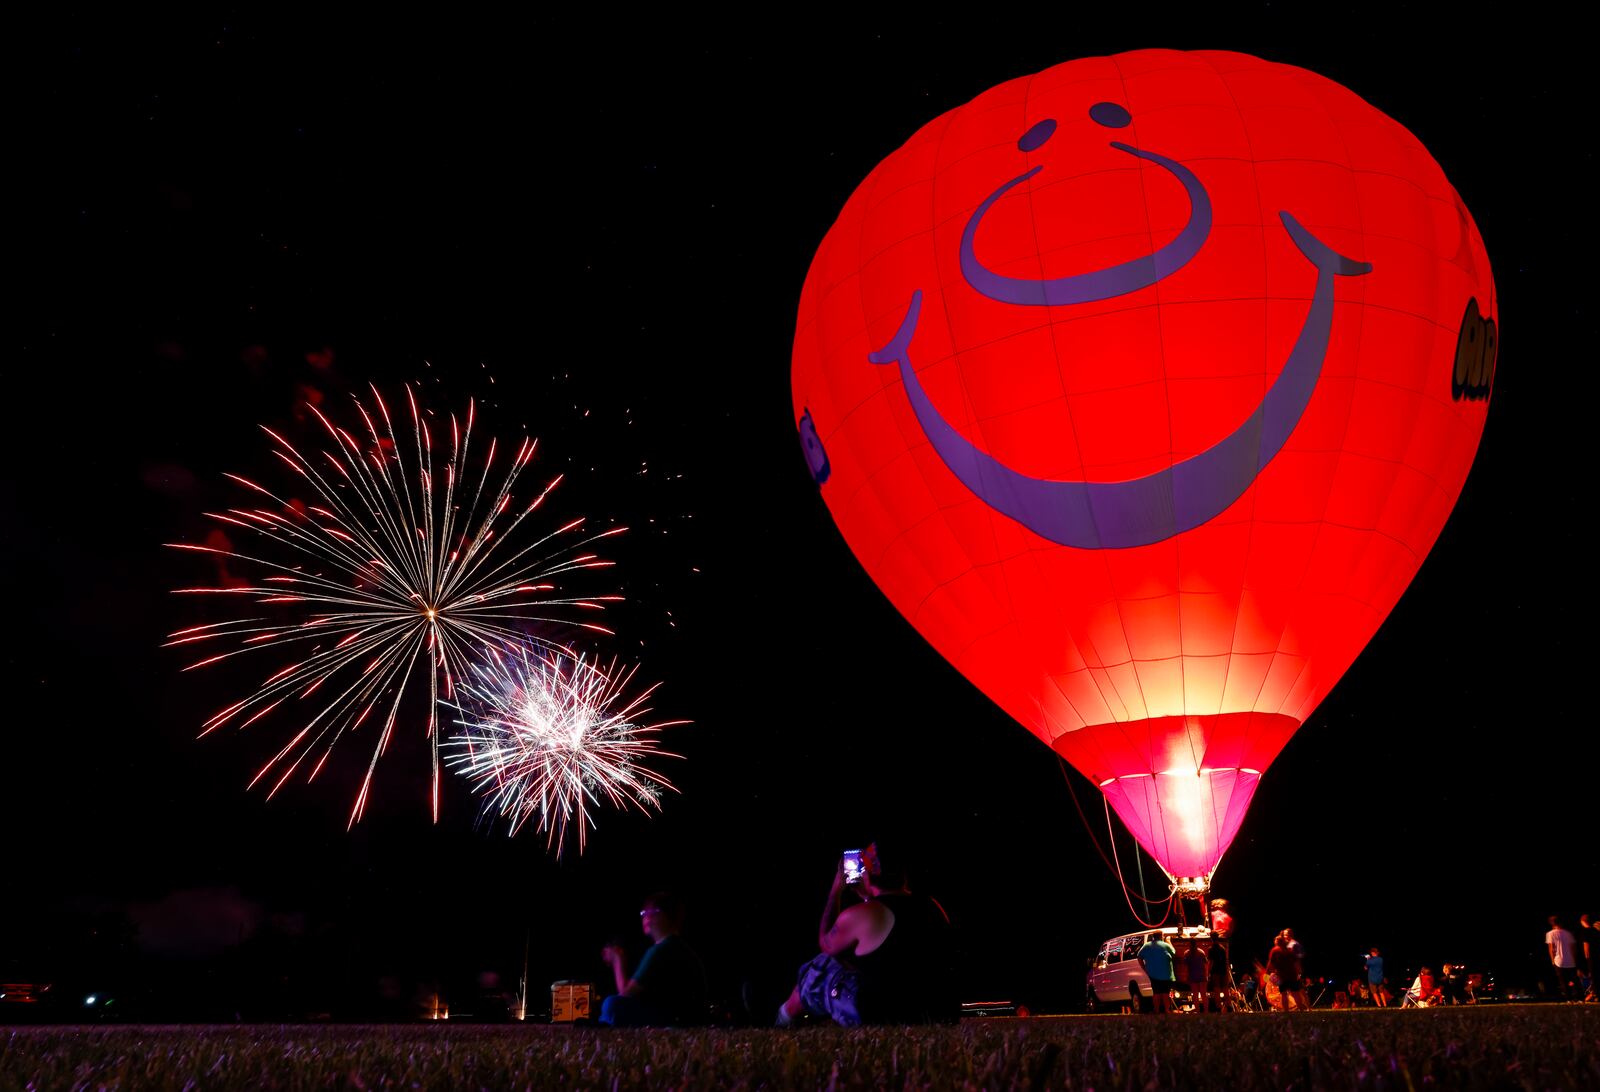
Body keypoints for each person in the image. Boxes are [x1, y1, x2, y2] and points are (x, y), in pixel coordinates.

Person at [777, 845, 955, 1027]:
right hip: (938, 1012)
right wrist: (868, 897)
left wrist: (835, 891)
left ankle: (783, 1019)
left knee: (823, 965)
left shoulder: (865, 913)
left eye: (865, 858)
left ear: (874, 869)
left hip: (891, 1017)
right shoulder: (933, 906)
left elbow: (826, 943)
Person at [599, 892, 707, 1027]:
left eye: (651, 912)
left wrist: (617, 960)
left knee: (611, 1003)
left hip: (670, 1019)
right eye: (643, 913)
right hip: (686, 1018)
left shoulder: (660, 950)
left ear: (666, 915)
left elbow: (626, 994)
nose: (646, 917)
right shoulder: (681, 948)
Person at [1137, 932, 1177, 1014]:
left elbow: (1139, 957)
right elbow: (1174, 952)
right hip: (1166, 973)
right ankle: (1167, 1010)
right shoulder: (1165, 945)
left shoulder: (1147, 945)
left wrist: (1144, 968)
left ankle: (1156, 1010)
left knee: (1156, 992)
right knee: (1165, 992)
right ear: (1161, 936)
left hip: (1153, 974)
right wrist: (1168, 941)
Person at [1546, 915, 1579, 1001]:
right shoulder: (1568, 933)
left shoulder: (1550, 934)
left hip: (1559, 960)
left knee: (1563, 981)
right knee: (1575, 980)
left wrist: (1552, 960)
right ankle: (1580, 998)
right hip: (1571, 960)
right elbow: (1574, 948)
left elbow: (1551, 948)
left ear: (1551, 923)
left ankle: (1569, 999)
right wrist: (1574, 959)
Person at [1267, 934, 1303, 1011]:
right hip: (1292, 974)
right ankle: (1301, 1010)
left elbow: (1271, 963)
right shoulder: (1289, 950)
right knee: (1295, 993)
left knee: (1284, 994)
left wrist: (1267, 972)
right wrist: (1298, 972)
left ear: (1277, 942)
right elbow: (1295, 962)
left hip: (1281, 975)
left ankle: (1286, 1011)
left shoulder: (1275, 951)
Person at [1183, 939, 1210, 1012]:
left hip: (1192, 975)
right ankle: (1206, 1011)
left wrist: (1186, 976)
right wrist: (1206, 975)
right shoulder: (1201, 952)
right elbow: (1206, 964)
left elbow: (1186, 967)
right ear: (1196, 944)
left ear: (1189, 944)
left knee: (1195, 995)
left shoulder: (1187, 953)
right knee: (1204, 994)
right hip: (1201, 975)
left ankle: (1198, 1011)